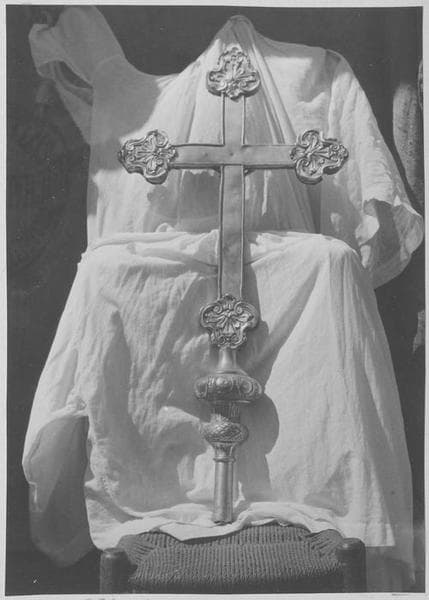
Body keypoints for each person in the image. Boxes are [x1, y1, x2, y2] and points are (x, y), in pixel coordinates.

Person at [23, 6, 423, 591]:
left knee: (331, 261)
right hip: (204, 254)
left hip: (270, 247)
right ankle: (181, 491)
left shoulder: (320, 77)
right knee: (106, 269)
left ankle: (301, 492)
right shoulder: (158, 118)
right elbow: (121, 104)